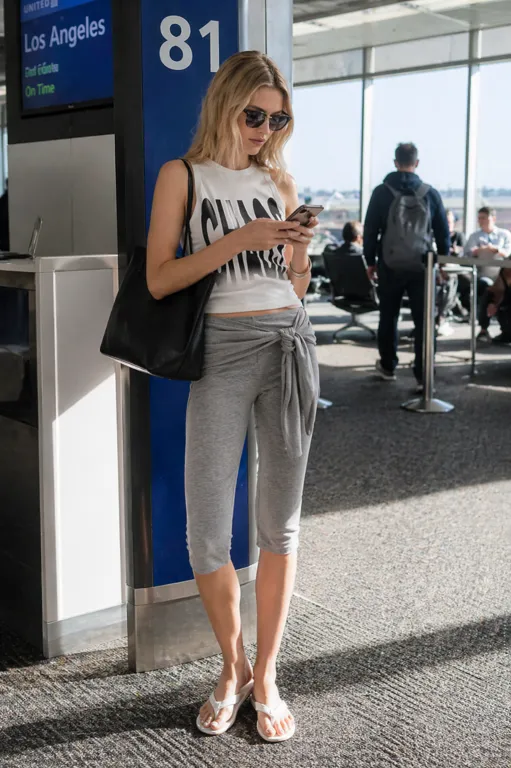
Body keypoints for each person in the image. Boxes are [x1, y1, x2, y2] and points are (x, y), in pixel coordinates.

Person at [146, 51, 319, 743]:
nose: (265, 128)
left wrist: (296, 251)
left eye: (278, 118)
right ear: (225, 105)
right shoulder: (182, 177)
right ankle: (231, 667)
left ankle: (269, 673)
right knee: (207, 527)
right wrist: (236, 241)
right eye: (255, 115)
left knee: (279, 523)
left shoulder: (277, 180)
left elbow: (293, 287)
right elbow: (160, 279)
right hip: (220, 350)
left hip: (289, 345)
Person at [363, 143, 450, 391]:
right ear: (417, 163)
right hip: (424, 266)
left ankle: (388, 366)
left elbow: (370, 230)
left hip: (389, 264)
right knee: (424, 320)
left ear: (395, 162)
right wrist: (442, 263)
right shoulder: (430, 193)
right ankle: (424, 374)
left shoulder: (381, 192)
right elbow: (443, 232)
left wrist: (371, 262)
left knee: (388, 316)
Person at [461, 207, 511, 341]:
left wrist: (495, 250)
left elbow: (508, 253)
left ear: (493, 219)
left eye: (484, 218)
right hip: (483, 274)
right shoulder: (474, 237)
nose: (481, 221)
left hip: (504, 276)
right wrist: (477, 251)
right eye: (479, 218)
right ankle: (484, 328)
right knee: (486, 288)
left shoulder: (504, 234)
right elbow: (466, 256)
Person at [478, 267, 511, 344]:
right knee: (489, 293)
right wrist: (494, 302)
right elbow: (497, 288)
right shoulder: (506, 268)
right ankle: (483, 330)